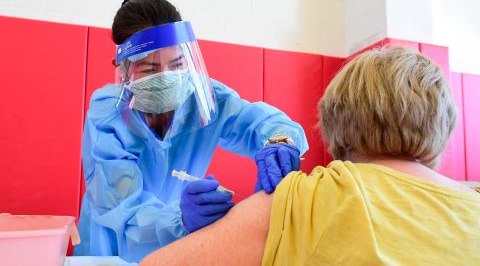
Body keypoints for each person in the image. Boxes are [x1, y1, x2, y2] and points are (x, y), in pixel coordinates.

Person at [139, 47, 480, 266]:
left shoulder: (308, 198)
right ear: (444, 121)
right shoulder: (473, 204)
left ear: (335, 117)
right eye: (149, 67)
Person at [74, 0, 308, 262]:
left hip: (177, 250)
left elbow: (257, 122)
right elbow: (122, 214)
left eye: (176, 65)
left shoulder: (203, 98)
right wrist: (179, 218)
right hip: (108, 252)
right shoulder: (108, 117)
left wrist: (280, 140)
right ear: (122, 70)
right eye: (151, 70)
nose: (168, 77)